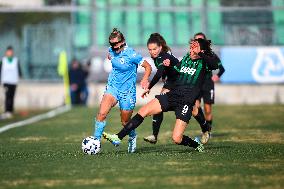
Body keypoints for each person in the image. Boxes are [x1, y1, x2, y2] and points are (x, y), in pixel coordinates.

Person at [102, 37, 219, 152]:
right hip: (172, 95)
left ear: (201, 50)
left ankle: (196, 144)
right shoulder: (187, 57)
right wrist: (169, 66)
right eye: (191, 48)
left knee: (177, 138)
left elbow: (215, 65)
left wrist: (201, 54)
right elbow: (177, 70)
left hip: (185, 102)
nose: (191, 51)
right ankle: (118, 137)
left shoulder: (204, 62)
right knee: (143, 111)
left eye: (194, 49)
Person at [143, 33, 213, 145]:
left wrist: (150, 86)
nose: (152, 51)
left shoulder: (165, 55)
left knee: (195, 108)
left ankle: (205, 129)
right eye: (150, 49)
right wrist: (166, 73)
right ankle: (155, 135)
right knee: (160, 101)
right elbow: (168, 69)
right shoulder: (158, 55)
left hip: (183, 83)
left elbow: (162, 71)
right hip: (172, 82)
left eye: (154, 48)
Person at [93, 28, 151, 153]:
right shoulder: (111, 51)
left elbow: (148, 66)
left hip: (128, 92)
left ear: (122, 41)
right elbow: (110, 56)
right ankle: (96, 141)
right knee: (102, 114)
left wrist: (145, 79)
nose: (113, 46)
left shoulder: (131, 54)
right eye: (111, 44)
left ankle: (132, 136)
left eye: (115, 44)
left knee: (125, 122)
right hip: (112, 88)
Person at [193, 32, 225, 137]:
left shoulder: (211, 55)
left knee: (207, 109)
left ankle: (208, 131)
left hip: (208, 84)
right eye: (196, 40)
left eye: (201, 40)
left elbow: (221, 69)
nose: (198, 42)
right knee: (196, 107)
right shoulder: (192, 55)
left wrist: (217, 76)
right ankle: (204, 128)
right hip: (197, 84)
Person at [0, 46, 22, 119]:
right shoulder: (3, 60)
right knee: (8, 96)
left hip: (14, 81)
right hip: (6, 81)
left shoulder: (16, 60)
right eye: (9, 51)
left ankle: (11, 111)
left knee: (12, 96)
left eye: (11, 51)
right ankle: (7, 111)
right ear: (6, 52)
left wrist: (20, 76)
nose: (10, 53)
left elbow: (19, 69)